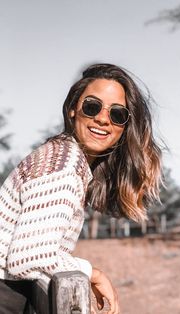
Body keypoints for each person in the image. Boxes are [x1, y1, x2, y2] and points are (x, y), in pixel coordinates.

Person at [0, 63, 162, 313]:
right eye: (92, 106)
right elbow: (27, 259)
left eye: (117, 114)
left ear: (124, 128)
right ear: (73, 109)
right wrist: (93, 273)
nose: (102, 118)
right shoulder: (62, 164)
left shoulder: (65, 158)